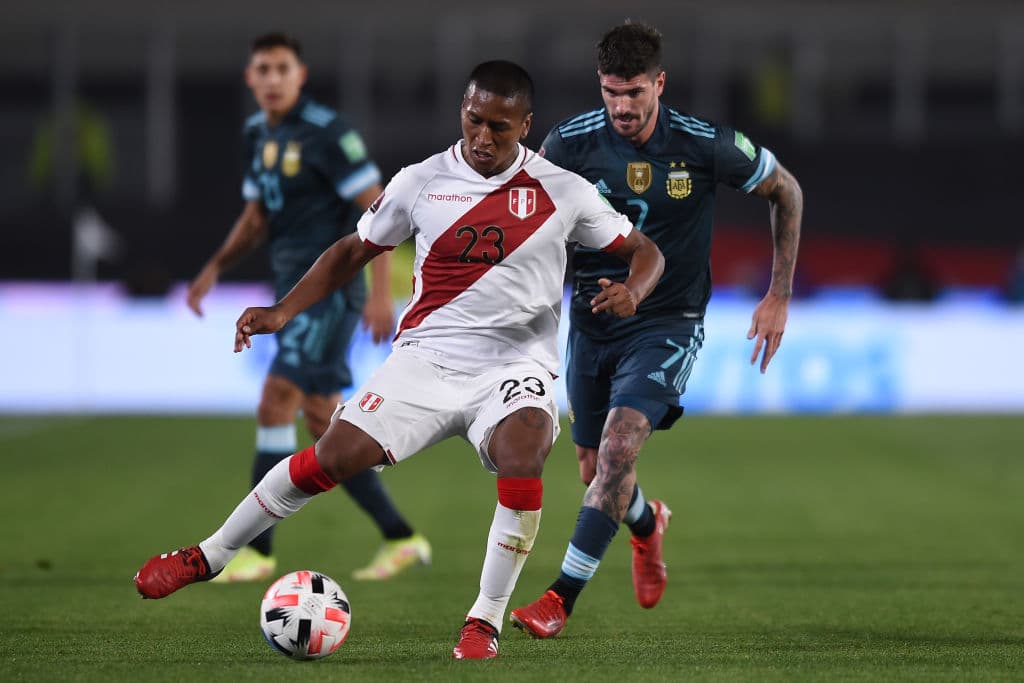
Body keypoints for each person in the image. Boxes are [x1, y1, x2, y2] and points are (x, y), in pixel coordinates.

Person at [134, 59, 664, 660]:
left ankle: (482, 622)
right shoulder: (421, 180)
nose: (483, 138)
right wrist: (283, 311)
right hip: (426, 360)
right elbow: (353, 251)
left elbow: (645, 252)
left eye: (501, 127)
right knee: (330, 457)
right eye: (474, 121)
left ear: (526, 125)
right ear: (461, 112)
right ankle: (210, 555)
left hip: (514, 367)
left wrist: (634, 290)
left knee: (526, 449)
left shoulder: (561, 190)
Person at [510, 22, 803, 638]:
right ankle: (647, 524)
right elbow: (527, 221)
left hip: (669, 320)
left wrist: (778, 293)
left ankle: (560, 598)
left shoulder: (703, 144)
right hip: (594, 320)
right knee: (596, 471)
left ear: (659, 84)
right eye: (611, 92)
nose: (622, 106)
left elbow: (787, 192)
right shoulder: (570, 143)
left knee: (619, 450)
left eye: (634, 93)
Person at [185, 32, 430, 584]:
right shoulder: (256, 134)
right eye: (263, 70)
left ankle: (255, 550)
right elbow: (255, 220)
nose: (272, 79)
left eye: (282, 69)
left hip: (327, 297)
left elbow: (379, 211)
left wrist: (378, 294)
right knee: (328, 430)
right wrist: (215, 267)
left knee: (275, 402)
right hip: (290, 290)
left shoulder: (327, 134)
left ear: (300, 75)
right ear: (251, 78)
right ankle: (402, 537)